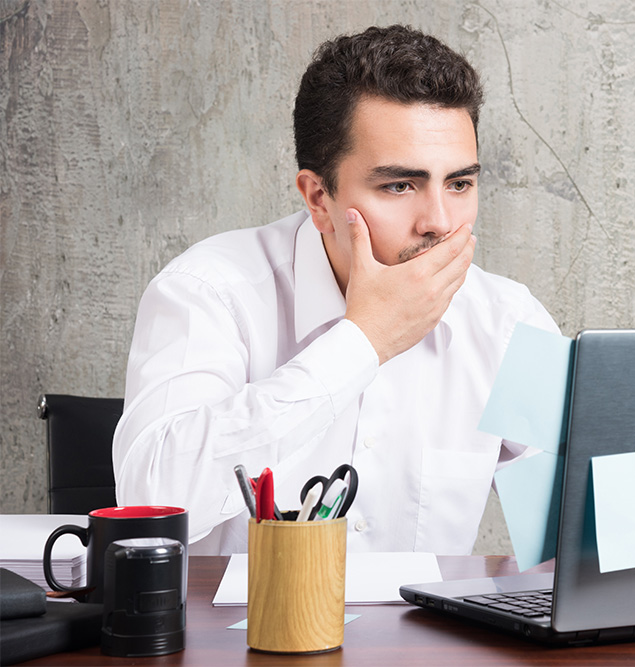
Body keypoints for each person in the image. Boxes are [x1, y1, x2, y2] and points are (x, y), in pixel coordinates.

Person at [112, 25, 559, 556]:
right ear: (318, 197)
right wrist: (362, 342)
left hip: (424, 640)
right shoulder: (209, 292)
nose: (439, 222)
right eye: (400, 186)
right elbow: (150, 500)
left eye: (459, 183)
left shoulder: (504, 322)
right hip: (238, 637)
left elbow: (610, 529)